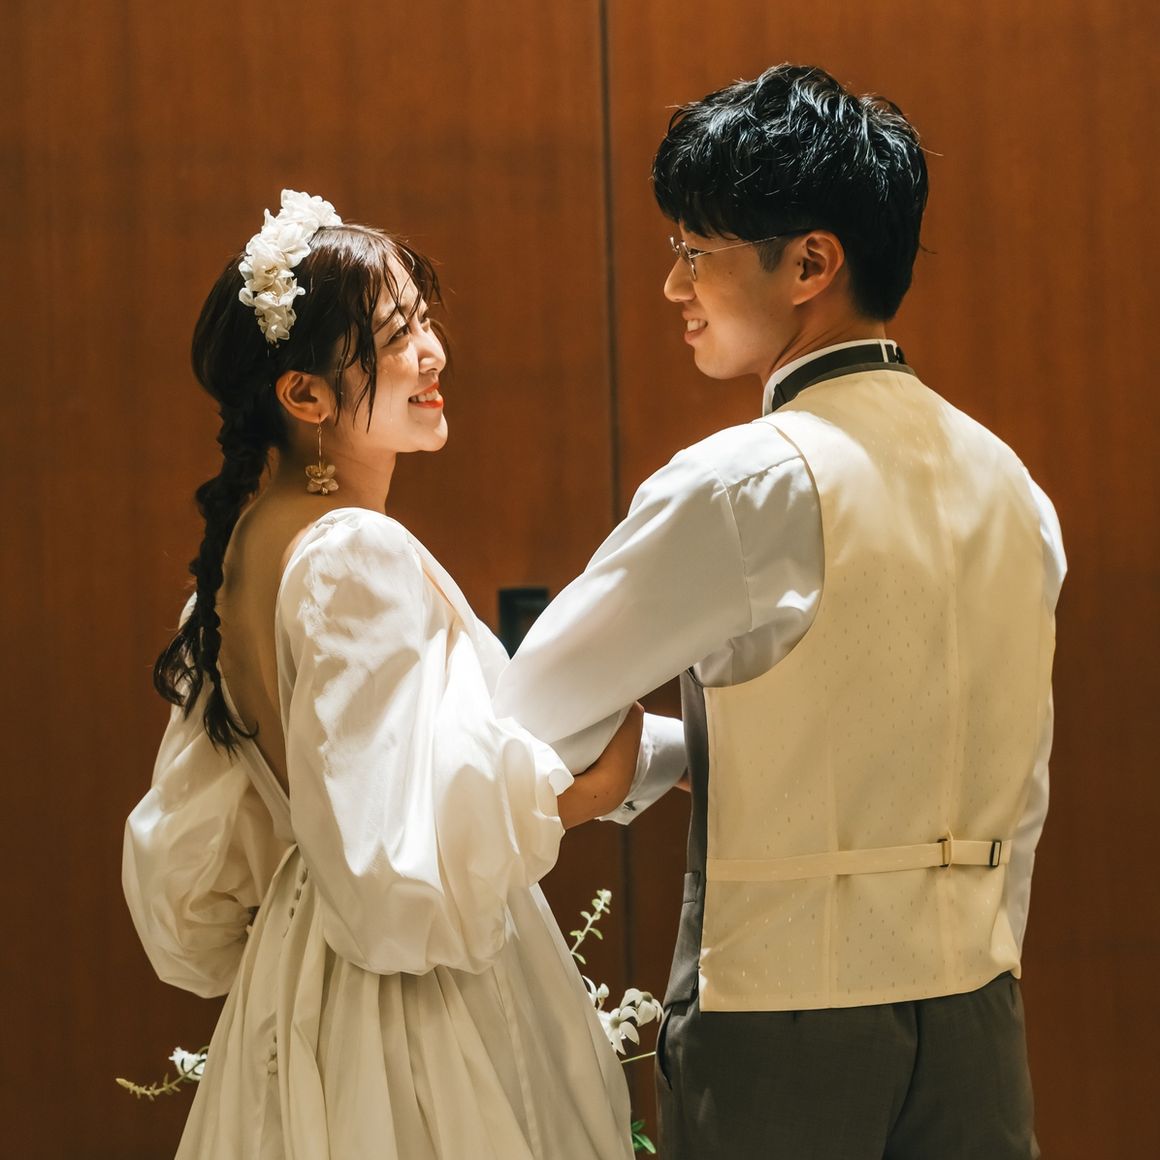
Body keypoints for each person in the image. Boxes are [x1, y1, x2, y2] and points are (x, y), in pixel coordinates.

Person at [494, 65, 1065, 1158]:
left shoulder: (744, 485)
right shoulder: (1012, 484)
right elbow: (1011, 772)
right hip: (979, 1006)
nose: (673, 285)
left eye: (692, 250)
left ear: (808, 263)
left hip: (782, 1012)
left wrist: (644, 763)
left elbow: (531, 713)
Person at [122, 190, 642, 1159]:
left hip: (302, 973)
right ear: (305, 396)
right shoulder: (351, 552)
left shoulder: (236, 561)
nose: (431, 352)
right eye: (396, 335)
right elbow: (388, 867)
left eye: (424, 320)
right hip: (402, 1002)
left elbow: (199, 861)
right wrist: (588, 793)